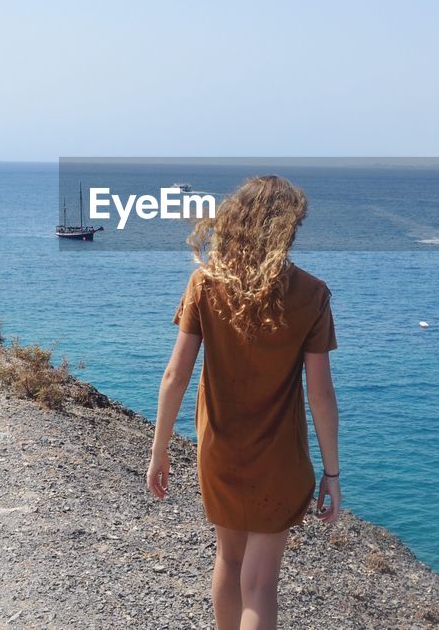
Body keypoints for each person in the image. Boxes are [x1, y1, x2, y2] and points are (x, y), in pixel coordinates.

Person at [147, 175, 341, 630]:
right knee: (259, 583)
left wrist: (158, 450)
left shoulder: (205, 283)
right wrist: (332, 474)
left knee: (229, 562)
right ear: (286, 228)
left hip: (218, 450)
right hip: (279, 457)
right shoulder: (311, 294)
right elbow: (321, 395)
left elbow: (176, 375)